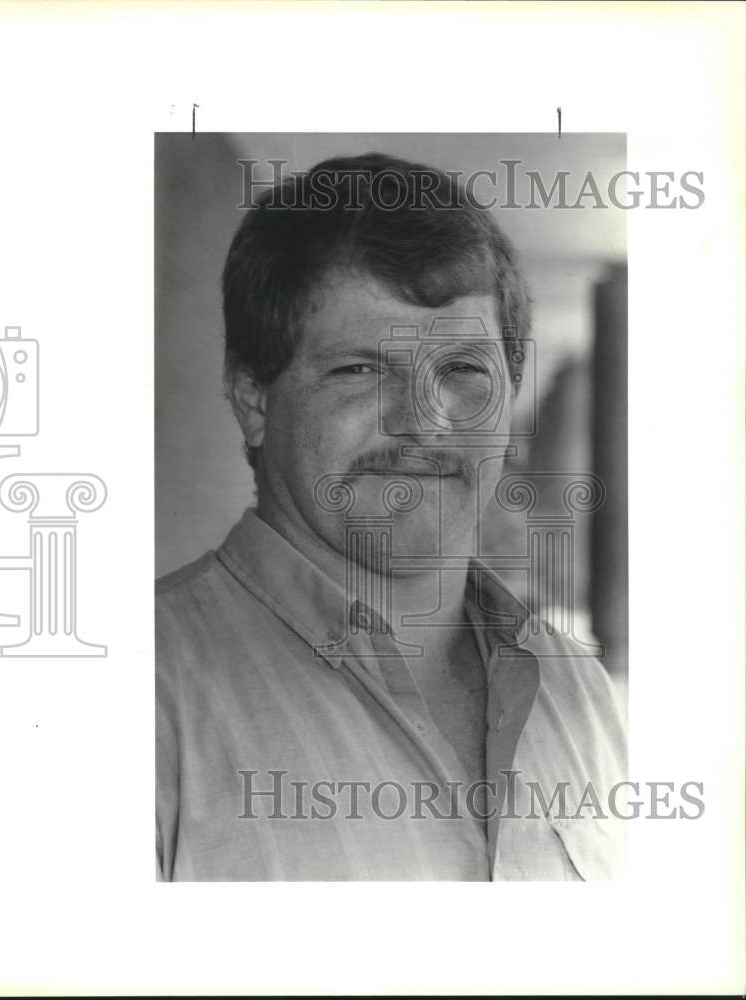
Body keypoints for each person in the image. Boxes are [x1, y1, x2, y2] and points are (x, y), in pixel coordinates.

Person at [156, 153, 626, 881]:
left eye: (464, 370)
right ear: (253, 399)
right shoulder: (129, 698)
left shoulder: (576, 688)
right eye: (360, 370)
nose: (426, 423)